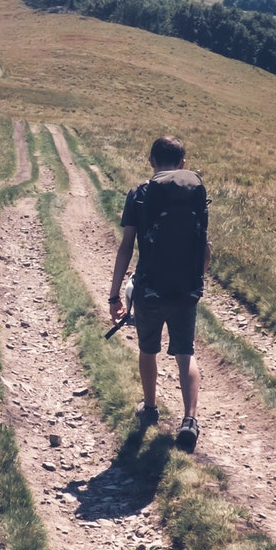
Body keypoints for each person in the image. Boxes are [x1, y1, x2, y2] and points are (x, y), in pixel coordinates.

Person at [108, 135, 209, 450]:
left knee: (148, 349)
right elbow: (205, 248)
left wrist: (114, 296)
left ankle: (150, 407)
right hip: (186, 289)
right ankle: (190, 419)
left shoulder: (140, 194)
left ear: (151, 160)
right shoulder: (194, 193)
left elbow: (126, 248)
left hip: (149, 288)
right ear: (183, 162)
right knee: (185, 353)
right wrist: (196, 279)